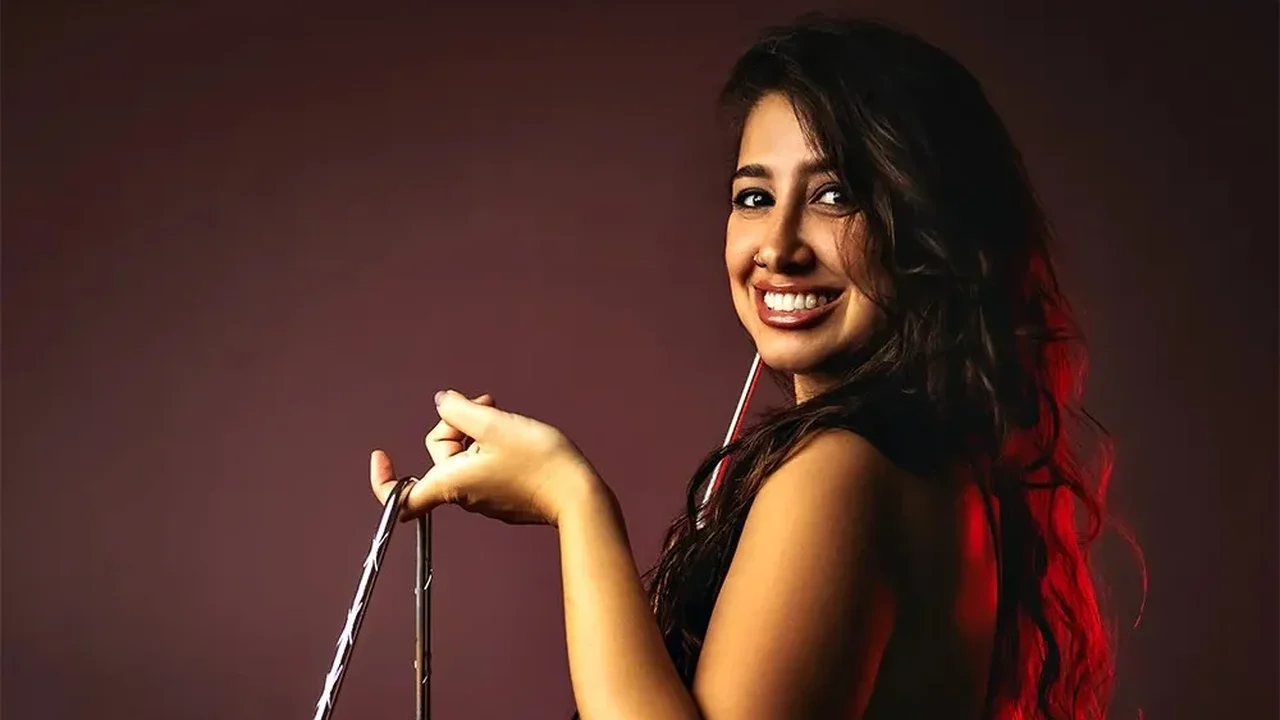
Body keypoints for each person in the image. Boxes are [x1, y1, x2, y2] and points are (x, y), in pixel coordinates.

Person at [371, 14, 1116, 720]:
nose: (778, 247)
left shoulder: (842, 471)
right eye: (754, 197)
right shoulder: (937, 466)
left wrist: (571, 497)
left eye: (835, 196)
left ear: (929, 225)